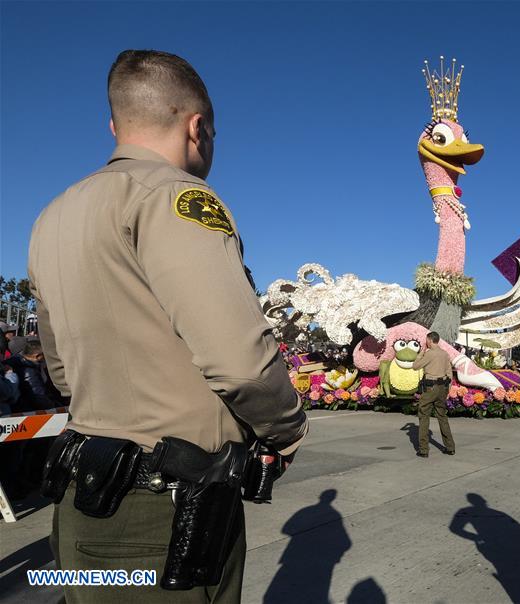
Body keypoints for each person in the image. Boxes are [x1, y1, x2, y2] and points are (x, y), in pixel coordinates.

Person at [28, 49, 309, 603]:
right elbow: (242, 365)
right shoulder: (177, 198)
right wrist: (287, 429)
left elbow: (61, 370)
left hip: (82, 513)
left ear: (116, 125)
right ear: (196, 127)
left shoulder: (52, 217)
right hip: (165, 522)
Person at [412, 331, 455, 457]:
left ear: (430, 340)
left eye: (427, 340)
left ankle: (424, 450)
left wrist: (420, 354)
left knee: (424, 415)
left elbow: (415, 366)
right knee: (442, 416)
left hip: (430, 388)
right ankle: (450, 447)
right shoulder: (444, 354)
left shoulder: (429, 354)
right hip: (442, 387)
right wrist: (448, 389)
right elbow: (449, 373)